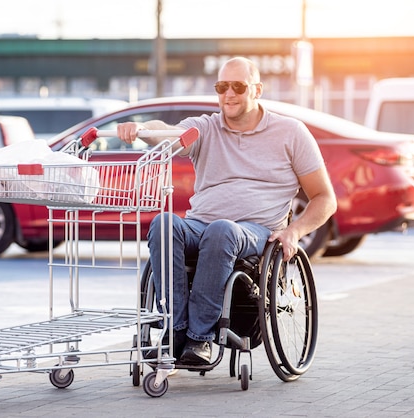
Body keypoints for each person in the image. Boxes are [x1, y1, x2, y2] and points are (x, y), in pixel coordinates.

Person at [116, 57, 337, 366]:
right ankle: (176, 331)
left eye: (238, 86)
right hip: (200, 225)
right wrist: (141, 129)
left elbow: (325, 198)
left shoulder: (290, 133)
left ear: (257, 90)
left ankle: (200, 338)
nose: (229, 94)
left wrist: (294, 231)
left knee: (222, 230)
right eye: (222, 87)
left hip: (254, 231)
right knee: (164, 223)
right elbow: (165, 132)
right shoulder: (205, 128)